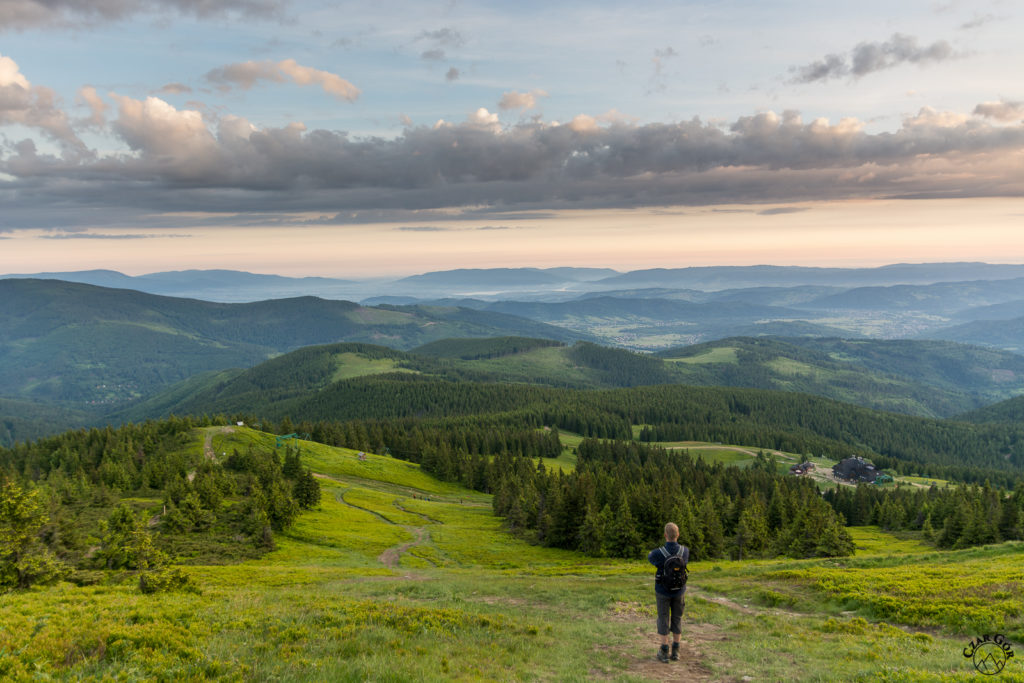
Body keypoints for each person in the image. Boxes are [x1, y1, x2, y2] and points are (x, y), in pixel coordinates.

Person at [647, 522, 689, 663]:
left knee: (663, 618)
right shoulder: (685, 551)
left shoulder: (658, 553)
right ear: (678, 535)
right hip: (679, 591)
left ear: (665, 535)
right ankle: (676, 651)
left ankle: (664, 651)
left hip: (662, 591)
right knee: (677, 618)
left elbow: (650, 558)